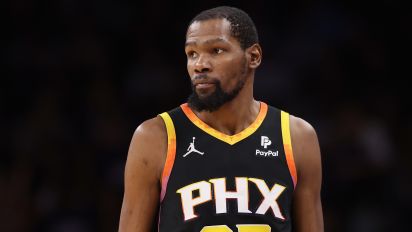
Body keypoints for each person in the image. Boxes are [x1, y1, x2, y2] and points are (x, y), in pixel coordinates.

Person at [118, 6, 323, 232]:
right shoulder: (156, 137)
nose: (200, 65)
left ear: (253, 56)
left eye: (216, 50)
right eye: (192, 54)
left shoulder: (296, 137)